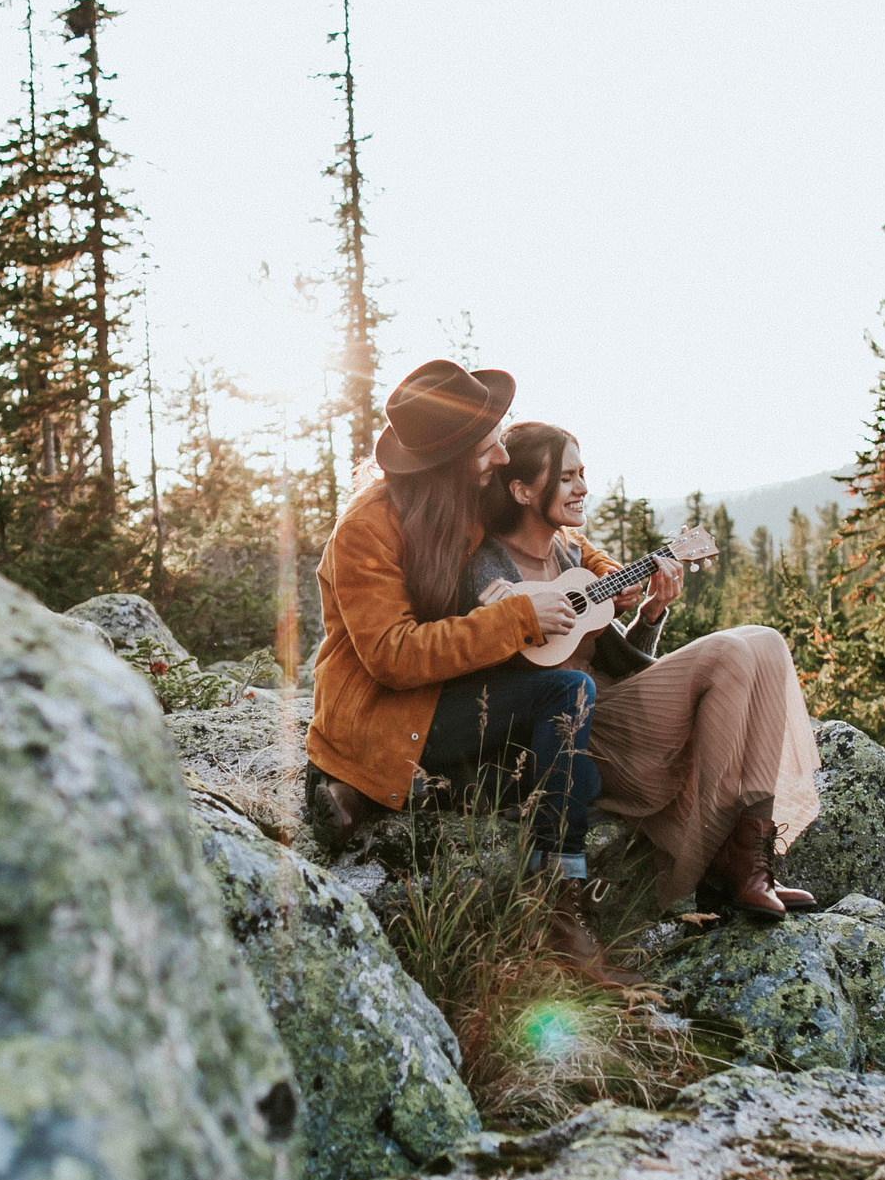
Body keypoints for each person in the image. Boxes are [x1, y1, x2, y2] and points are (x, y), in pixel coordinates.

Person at [308, 361, 625, 981]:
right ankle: (557, 902)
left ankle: (550, 885)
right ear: (450, 461)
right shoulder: (365, 531)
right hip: (387, 709)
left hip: (453, 691)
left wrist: (611, 573)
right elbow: (394, 657)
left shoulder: (468, 496)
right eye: (488, 447)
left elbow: (558, 539)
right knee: (565, 704)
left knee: (563, 716)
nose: (502, 455)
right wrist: (517, 619)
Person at [472, 422, 821, 918]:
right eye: (567, 477)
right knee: (729, 653)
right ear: (523, 490)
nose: (583, 488)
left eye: (582, 474)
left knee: (765, 641)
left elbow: (619, 660)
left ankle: (752, 856)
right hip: (576, 732)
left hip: (617, 707)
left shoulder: (571, 555)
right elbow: (494, 671)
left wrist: (650, 613)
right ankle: (719, 850)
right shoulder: (489, 567)